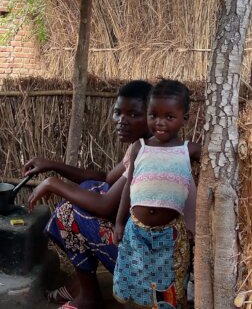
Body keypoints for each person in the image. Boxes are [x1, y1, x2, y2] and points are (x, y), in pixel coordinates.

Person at [24, 80, 154, 309]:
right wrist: (52, 165)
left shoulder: (147, 153)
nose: (122, 121)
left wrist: (53, 183)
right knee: (88, 188)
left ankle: (89, 296)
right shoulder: (141, 145)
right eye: (118, 113)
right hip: (139, 247)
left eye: (133, 114)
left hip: (146, 267)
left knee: (67, 213)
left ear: (151, 116)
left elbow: (105, 206)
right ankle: (85, 287)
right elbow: (105, 178)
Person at [113, 80, 200, 309]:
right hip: (136, 233)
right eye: (153, 115)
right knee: (134, 283)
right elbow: (128, 188)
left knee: (168, 289)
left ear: (185, 119)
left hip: (171, 237)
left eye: (169, 117)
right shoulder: (139, 148)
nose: (160, 123)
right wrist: (119, 222)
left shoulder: (188, 150)